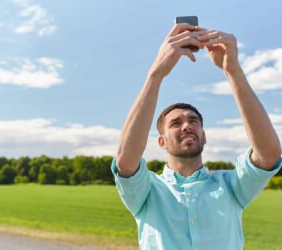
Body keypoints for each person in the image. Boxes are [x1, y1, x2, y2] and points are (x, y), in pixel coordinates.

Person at [111, 23, 282, 250]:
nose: (187, 126)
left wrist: (232, 70)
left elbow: (269, 154)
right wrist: (156, 74)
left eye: (194, 121)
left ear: (204, 135)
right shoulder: (148, 191)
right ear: (161, 141)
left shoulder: (230, 186)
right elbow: (125, 161)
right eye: (175, 123)